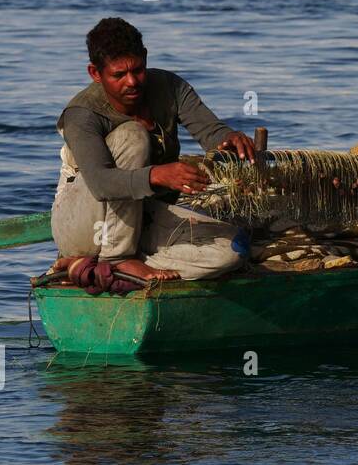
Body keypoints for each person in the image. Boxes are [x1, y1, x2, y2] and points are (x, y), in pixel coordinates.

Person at [51, 17, 254, 283]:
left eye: (138, 70)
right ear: (95, 73)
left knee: (234, 249)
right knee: (133, 136)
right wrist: (157, 175)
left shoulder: (171, 87)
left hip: (143, 216)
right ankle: (116, 259)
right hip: (83, 224)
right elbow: (100, 184)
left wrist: (230, 139)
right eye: (118, 75)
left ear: (145, 58)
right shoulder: (82, 113)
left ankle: (117, 265)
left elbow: (211, 133)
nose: (132, 82)